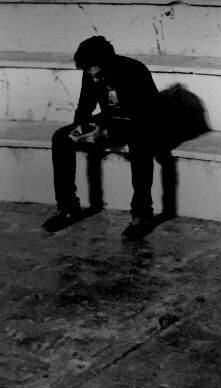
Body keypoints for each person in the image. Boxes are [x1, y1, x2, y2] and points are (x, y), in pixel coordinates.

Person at [43, 36, 161, 238]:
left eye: (98, 75)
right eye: (91, 75)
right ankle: (68, 208)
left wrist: (108, 132)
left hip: (141, 122)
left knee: (140, 142)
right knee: (61, 138)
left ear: (109, 64)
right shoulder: (92, 72)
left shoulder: (135, 71)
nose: (94, 79)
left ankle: (142, 214)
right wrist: (79, 130)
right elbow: (84, 106)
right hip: (109, 120)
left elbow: (147, 115)